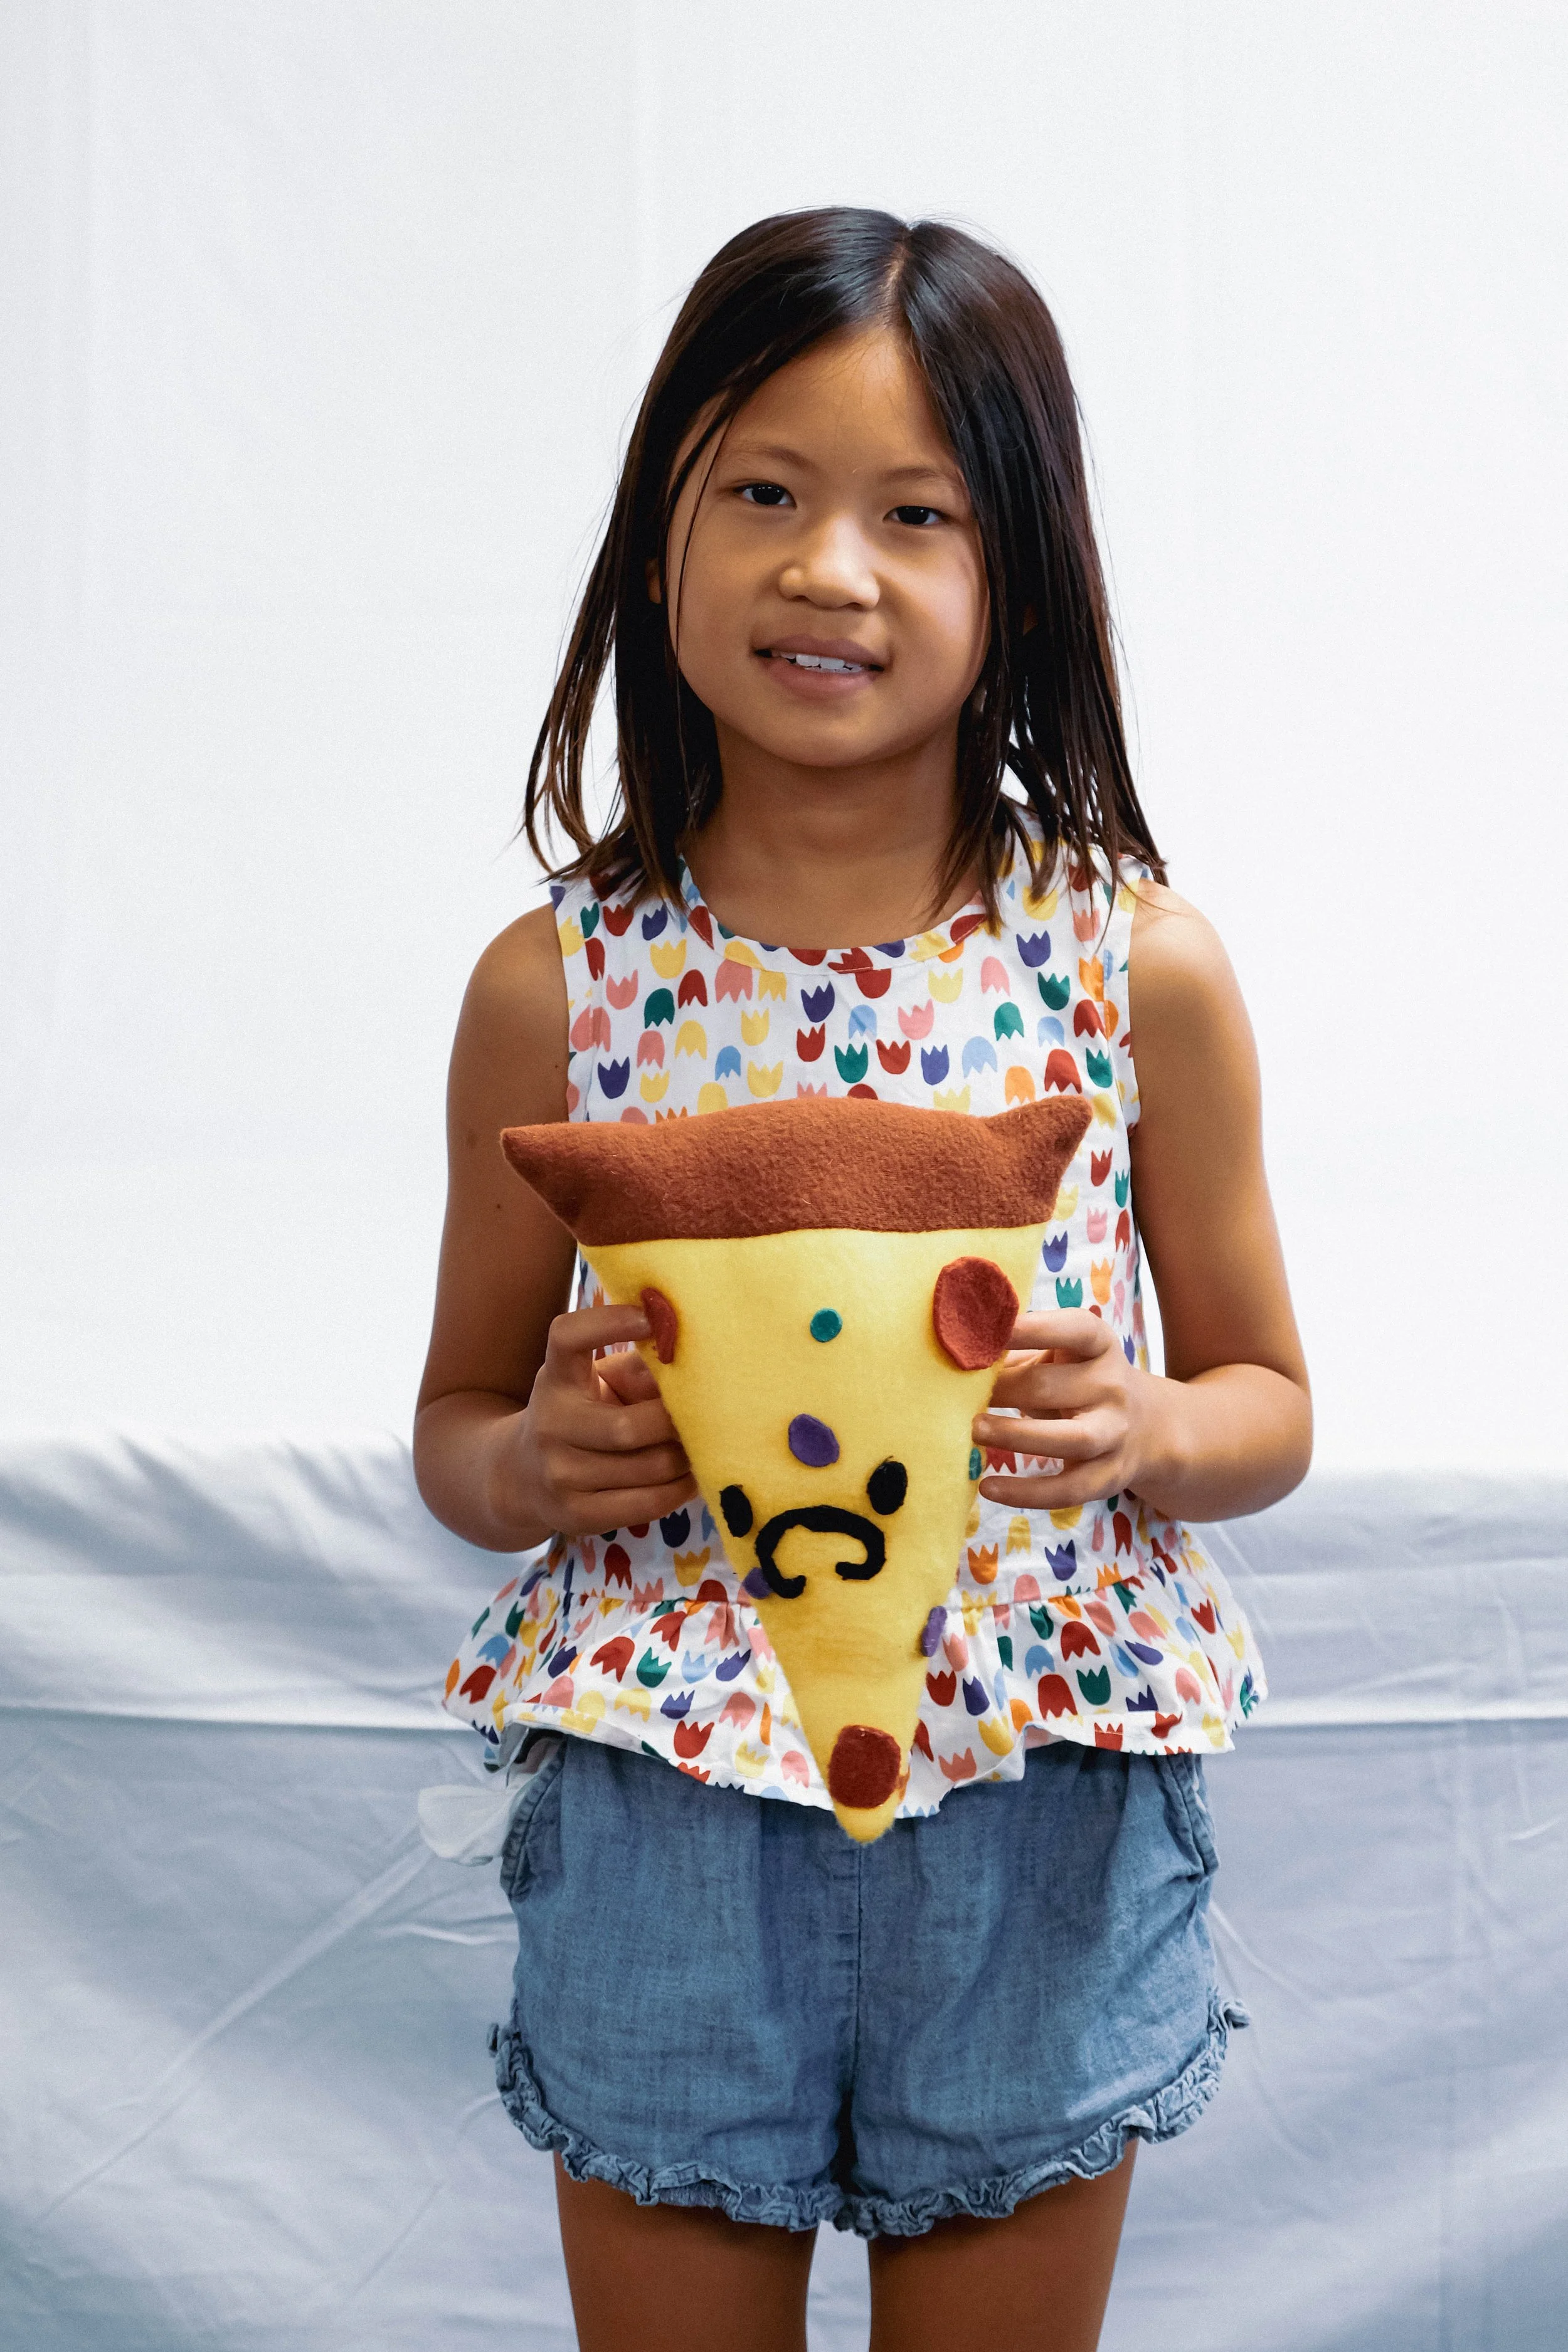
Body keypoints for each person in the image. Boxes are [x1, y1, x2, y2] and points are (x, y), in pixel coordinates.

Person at [414, 208, 1311, 2352]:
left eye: (917, 515)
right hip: (666, 1825)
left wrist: (1155, 1426)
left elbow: (1268, 1395)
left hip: (1037, 1808)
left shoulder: (1136, 967)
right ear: (659, 537)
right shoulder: (556, 987)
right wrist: (539, 1451)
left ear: (1018, 585)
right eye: (763, 493)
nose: (831, 567)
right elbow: (452, 1434)